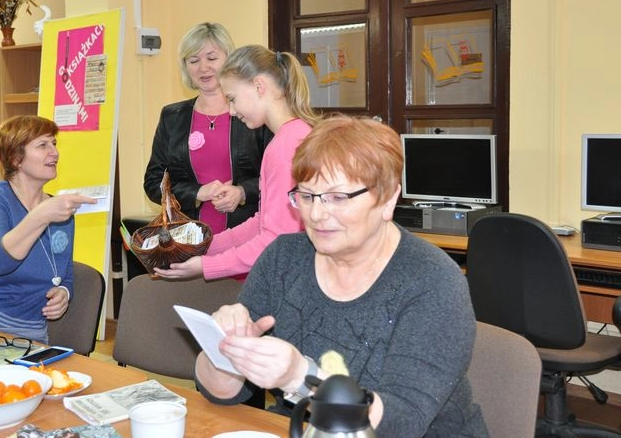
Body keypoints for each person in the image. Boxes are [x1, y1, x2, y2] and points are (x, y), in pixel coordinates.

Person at [194, 116, 488, 436]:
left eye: (338, 197)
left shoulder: (433, 281)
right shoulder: (283, 259)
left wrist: (301, 377)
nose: (317, 214)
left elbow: (403, 422)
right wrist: (223, 349)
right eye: (307, 196)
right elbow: (222, 391)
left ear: (388, 199)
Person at [155, 45, 320, 281]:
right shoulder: (289, 136)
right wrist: (203, 247)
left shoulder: (285, 146)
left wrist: (207, 265)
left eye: (232, 99)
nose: (231, 111)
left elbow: (276, 240)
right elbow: (262, 223)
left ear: (259, 86)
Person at [0, 115, 96, 342]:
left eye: (54, 143)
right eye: (43, 145)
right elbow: (0, 262)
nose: (54, 152)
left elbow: (64, 273)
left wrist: (64, 292)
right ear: (16, 158)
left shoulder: (60, 211)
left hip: (28, 332)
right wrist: (41, 215)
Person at [144, 23, 270, 236]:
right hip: (187, 240)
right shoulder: (172, 117)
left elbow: (277, 175)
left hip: (248, 236)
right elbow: (153, 183)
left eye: (212, 58)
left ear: (229, 60)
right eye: (194, 60)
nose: (203, 68)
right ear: (185, 67)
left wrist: (242, 192)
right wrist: (197, 192)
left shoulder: (253, 113)